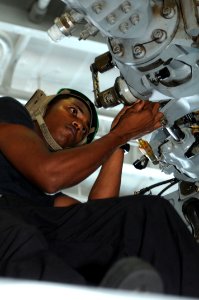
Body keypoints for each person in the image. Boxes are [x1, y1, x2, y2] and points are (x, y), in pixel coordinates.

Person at [0, 88, 199, 297]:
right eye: (73, 111)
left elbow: (103, 217)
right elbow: (49, 174)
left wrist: (120, 141)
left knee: (148, 213)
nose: (79, 125)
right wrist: (120, 134)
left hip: (26, 222)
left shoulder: (38, 202)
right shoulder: (10, 112)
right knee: (22, 238)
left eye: (85, 130)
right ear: (43, 109)